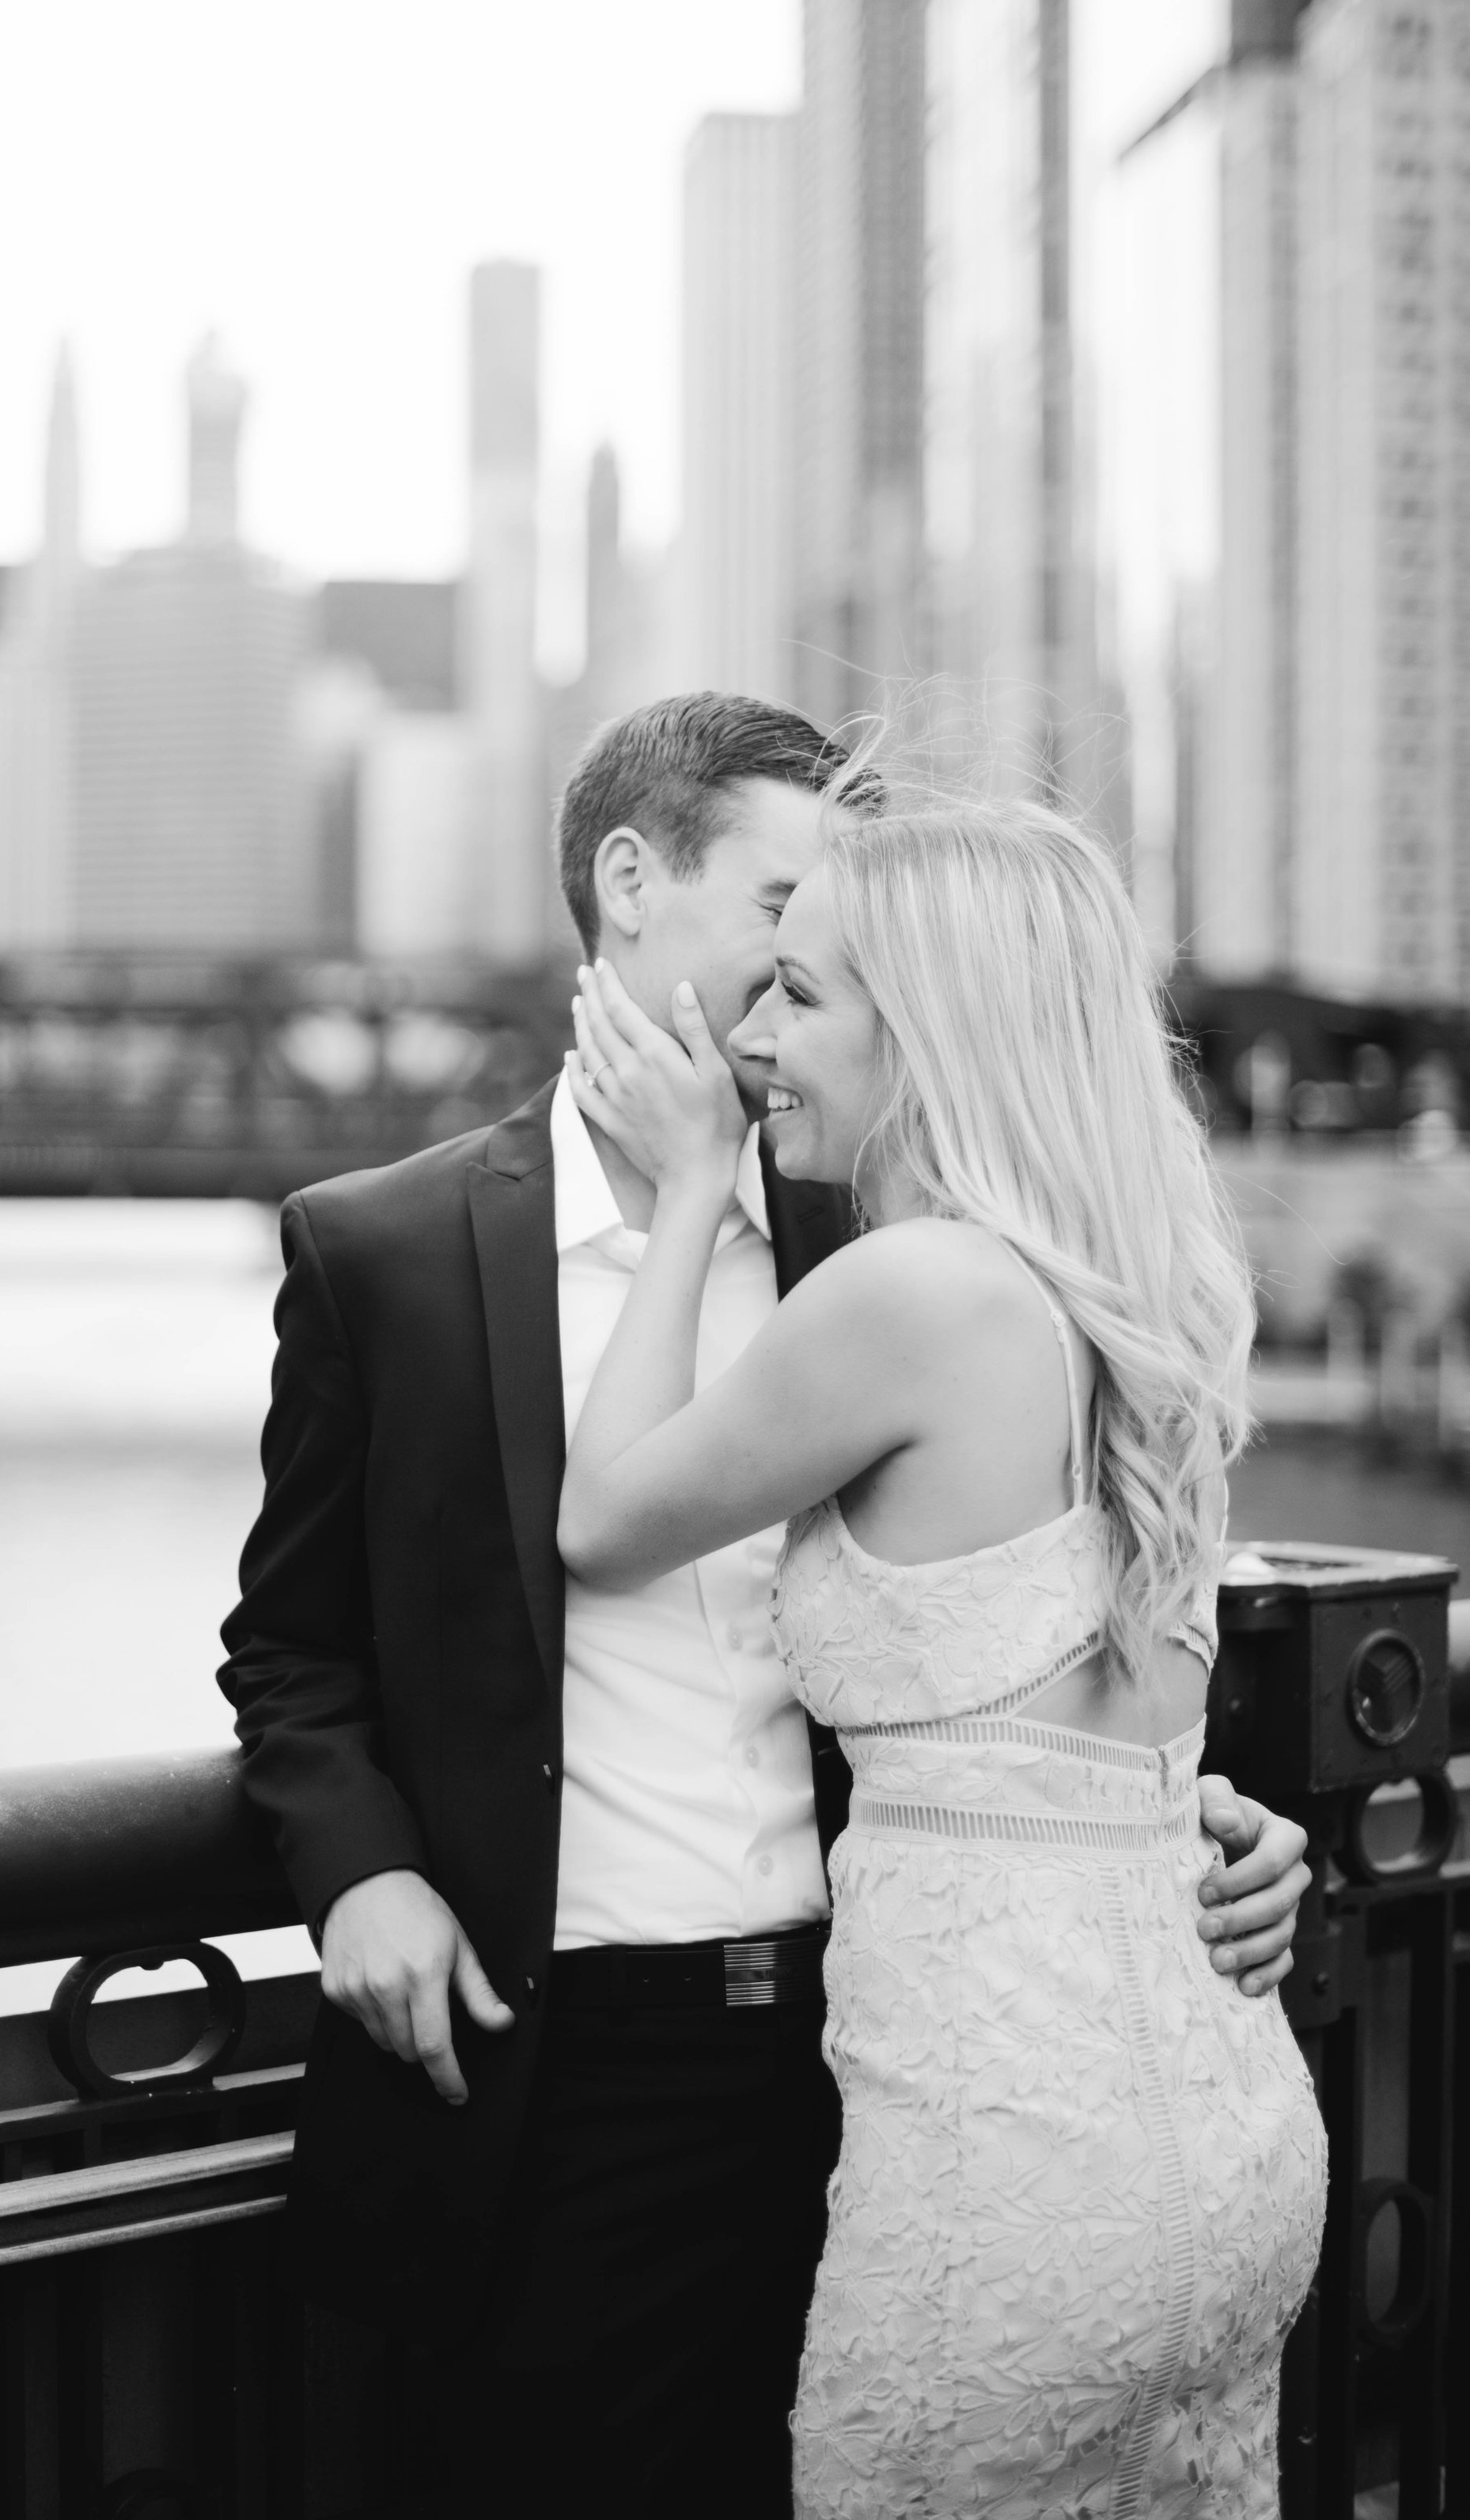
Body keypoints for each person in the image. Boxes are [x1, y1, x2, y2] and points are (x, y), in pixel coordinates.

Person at [218, 695, 1312, 2520]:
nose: (801, 983)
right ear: (632, 887)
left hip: (890, 2065)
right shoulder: (385, 1250)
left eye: (835, 952)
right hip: (568, 2076)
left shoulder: (877, 1218)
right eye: (788, 906)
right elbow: (291, 1645)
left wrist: (1204, 1816)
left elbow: (1059, 1618)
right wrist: (361, 1867)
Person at [557, 783, 1328, 2517]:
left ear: (934, 1036)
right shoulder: (1142, 1302)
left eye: (804, 995)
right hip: (1224, 2137)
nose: (754, 1031)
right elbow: (1066, 1714)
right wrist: (1213, 1815)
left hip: (1009, 2189)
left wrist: (688, 1186)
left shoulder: (910, 1291)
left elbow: (600, 1513)